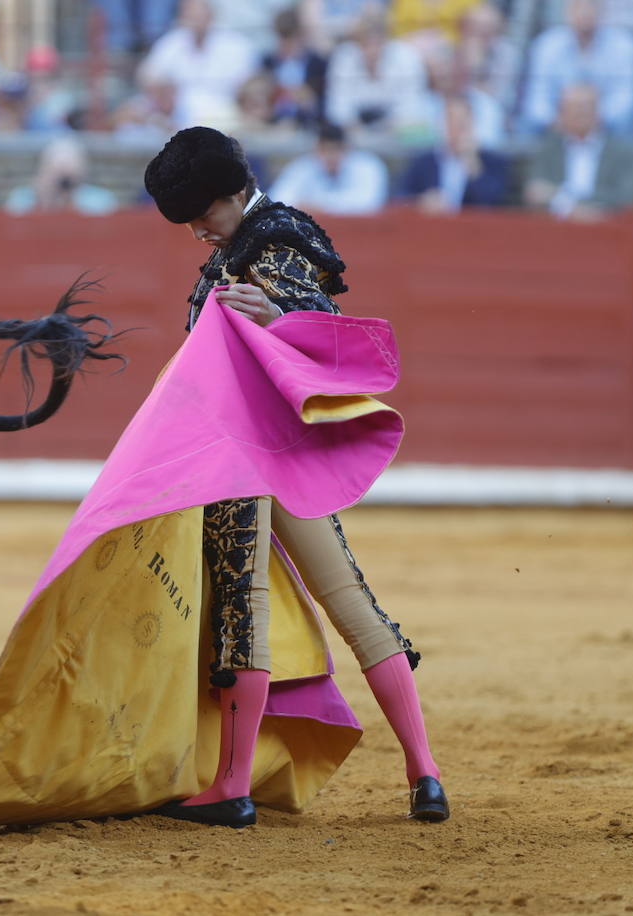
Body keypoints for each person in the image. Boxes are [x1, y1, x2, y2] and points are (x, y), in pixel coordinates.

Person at [137, 126, 447, 826]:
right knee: (354, 604)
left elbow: (319, 319)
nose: (195, 233)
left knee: (242, 609)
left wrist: (278, 316)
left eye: (201, 217)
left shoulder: (270, 241)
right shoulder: (252, 240)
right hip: (283, 456)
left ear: (232, 194)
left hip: (243, 453)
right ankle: (424, 774)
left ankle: (232, 787)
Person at [521, 0, 633, 136]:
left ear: (602, 10)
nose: (585, 12)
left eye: (591, 6)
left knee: (627, 125)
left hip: (607, 128)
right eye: (579, 6)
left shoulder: (625, 45)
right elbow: (537, 98)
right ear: (567, 11)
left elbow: (626, 98)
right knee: (528, 124)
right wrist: (561, 121)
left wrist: (591, 121)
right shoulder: (546, 44)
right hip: (556, 127)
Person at [136, 0, 259, 128]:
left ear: (210, 15)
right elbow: (148, 75)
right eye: (189, 14)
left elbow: (247, 85)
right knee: (133, 113)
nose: (194, 19)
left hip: (223, 110)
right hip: (174, 112)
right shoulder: (171, 42)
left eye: (198, 14)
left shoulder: (236, 45)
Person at [524, 83, 633, 220]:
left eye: (585, 108)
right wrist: (574, 209)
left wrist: (566, 202)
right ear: (562, 113)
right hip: (556, 227)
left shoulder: (620, 151)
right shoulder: (548, 148)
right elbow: (537, 191)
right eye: (574, 109)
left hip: (605, 226)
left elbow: (624, 196)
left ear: (597, 112)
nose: (580, 114)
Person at [323, 2, 427, 137]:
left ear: (386, 41)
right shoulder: (343, 57)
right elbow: (337, 108)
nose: (372, 50)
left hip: (398, 133)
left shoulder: (407, 57)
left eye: (377, 44)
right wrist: (353, 128)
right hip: (354, 135)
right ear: (357, 42)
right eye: (366, 44)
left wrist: (393, 125)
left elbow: (413, 106)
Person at [399, 95, 511, 211]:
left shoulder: (492, 162)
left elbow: (493, 203)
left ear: (472, 125)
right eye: (451, 121)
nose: (456, 129)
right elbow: (400, 198)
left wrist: (473, 164)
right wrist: (422, 201)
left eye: (462, 123)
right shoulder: (423, 162)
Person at [268, 122, 389, 215]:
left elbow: (369, 202)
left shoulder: (367, 165)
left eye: (336, 149)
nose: (331, 156)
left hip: (358, 231)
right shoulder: (302, 166)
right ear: (317, 149)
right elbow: (277, 198)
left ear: (347, 148)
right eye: (325, 150)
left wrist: (317, 206)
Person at [4, 136, 119, 215]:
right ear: (44, 169)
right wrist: (43, 200)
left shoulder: (100, 199)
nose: (63, 177)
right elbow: (14, 225)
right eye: (57, 167)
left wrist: (69, 200)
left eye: (69, 166)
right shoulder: (23, 197)